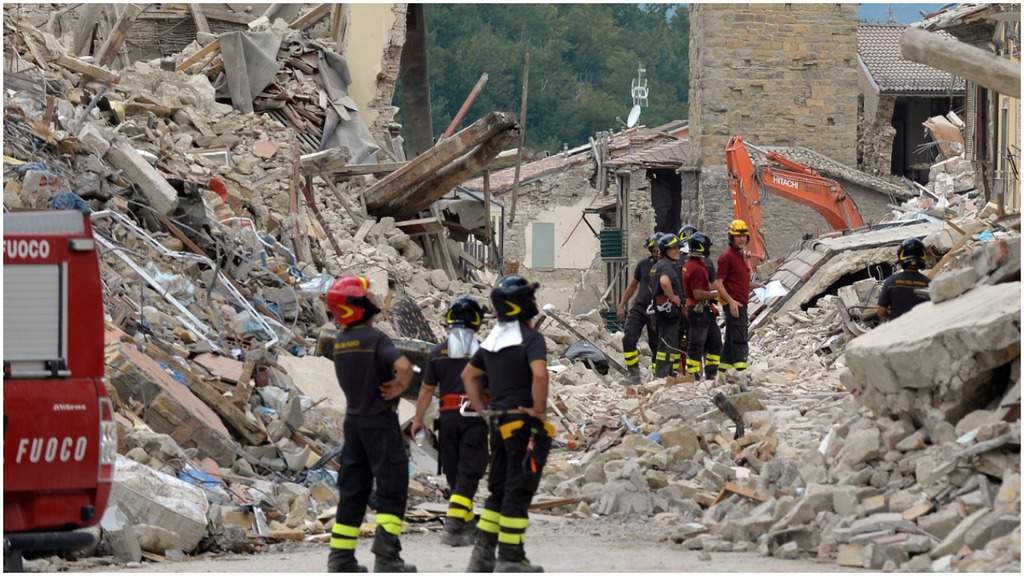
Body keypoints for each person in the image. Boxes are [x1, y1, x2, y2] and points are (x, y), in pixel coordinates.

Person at [325, 276, 416, 573]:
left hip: (354, 423)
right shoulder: (375, 339)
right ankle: (387, 556)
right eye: (367, 295)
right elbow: (404, 366)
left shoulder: (341, 342)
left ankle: (341, 558)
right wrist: (400, 386)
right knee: (392, 485)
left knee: (353, 489)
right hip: (379, 421)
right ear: (357, 305)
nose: (373, 298)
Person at [461, 275, 552, 573]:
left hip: (498, 422)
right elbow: (539, 375)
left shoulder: (492, 341)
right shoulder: (531, 339)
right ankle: (511, 557)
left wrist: (482, 410)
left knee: (498, 488)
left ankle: (483, 555)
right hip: (522, 423)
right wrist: (539, 411)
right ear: (521, 305)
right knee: (518, 488)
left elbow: (468, 376)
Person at [410, 295, 489, 547]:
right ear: (476, 321)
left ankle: (467, 526)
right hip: (474, 419)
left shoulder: (437, 352)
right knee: (470, 472)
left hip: (447, 420)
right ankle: (454, 525)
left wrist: (418, 419)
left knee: (455, 474)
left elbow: (425, 390)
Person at [714, 220, 760, 378]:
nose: (741, 239)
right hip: (735, 304)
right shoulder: (726, 257)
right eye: (737, 236)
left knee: (729, 341)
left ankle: (721, 375)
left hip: (741, 302)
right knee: (740, 340)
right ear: (731, 238)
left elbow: (739, 281)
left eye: (744, 236)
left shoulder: (740, 256)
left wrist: (757, 285)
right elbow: (718, 283)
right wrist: (731, 302)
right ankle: (741, 375)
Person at [616, 233, 661, 384]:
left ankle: (657, 377)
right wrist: (622, 304)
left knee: (656, 344)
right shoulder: (643, 265)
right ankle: (633, 374)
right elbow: (632, 286)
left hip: (657, 311)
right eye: (653, 249)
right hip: (639, 308)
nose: (656, 251)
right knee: (628, 338)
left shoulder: (668, 266)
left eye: (658, 248)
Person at [681, 233, 723, 383]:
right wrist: (717, 294)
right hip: (699, 311)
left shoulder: (692, 265)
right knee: (696, 344)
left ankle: (711, 376)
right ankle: (693, 377)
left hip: (704, 311)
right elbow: (697, 294)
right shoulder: (697, 268)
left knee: (715, 342)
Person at [652, 234, 684, 378]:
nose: (677, 250)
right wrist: (673, 297)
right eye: (674, 248)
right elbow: (664, 282)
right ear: (666, 250)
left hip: (662, 310)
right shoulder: (666, 266)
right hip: (668, 311)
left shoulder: (658, 265)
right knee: (668, 345)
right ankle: (664, 376)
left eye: (678, 248)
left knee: (664, 344)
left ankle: (666, 375)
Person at [877, 238, 930, 320]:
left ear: (900, 257)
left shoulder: (890, 282)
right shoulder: (929, 284)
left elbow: (881, 312)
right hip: (923, 330)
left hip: (898, 329)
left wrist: (891, 319)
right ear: (923, 256)